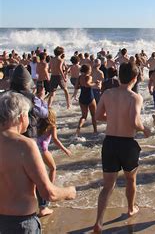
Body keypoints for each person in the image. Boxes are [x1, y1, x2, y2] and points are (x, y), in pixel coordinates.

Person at [0, 92, 76, 233]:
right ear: (21, 117)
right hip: (21, 224)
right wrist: (69, 192)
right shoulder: (25, 145)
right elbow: (49, 193)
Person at [92, 62, 151, 232]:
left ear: (119, 76)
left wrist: (113, 118)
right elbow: (134, 122)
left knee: (107, 186)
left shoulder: (108, 93)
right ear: (135, 78)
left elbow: (97, 116)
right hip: (127, 144)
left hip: (109, 143)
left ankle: (99, 221)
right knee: (130, 179)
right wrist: (145, 129)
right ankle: (131, 208)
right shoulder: (135, 97)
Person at [36, 109, 72, 217]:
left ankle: (38, 193)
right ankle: (50, 187)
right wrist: (65, 149)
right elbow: (55, 140)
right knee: (53, 168)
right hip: (43, 150)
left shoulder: (38, 123)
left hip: (34, 149)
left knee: (38, 173)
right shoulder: (52, 126)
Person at [72, 65, 98, 136]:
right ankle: (95, 131)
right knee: (93, 115)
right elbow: (87, 84)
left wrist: (81, 86)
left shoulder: (79, 77)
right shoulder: (89, 77)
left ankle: (79, 128)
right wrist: (95, 83)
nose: (91, 70)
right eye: (90, 69)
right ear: (88, 70)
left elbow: (76, 86)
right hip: (90, 97)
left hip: (82, 97)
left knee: (84, 116)